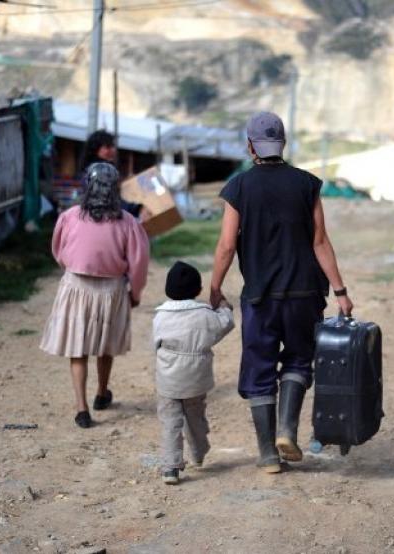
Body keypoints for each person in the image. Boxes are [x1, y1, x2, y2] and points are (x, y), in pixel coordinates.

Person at [211, 111, 353, 474]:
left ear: (250, 146)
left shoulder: (239, 187)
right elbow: (320, 241)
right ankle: (287, 430)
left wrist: (214, 288)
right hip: (305, 293)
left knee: (259, 368)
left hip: (260, 297)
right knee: (298, 360)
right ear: (283, 144)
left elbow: (227, 246)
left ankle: (268, 455)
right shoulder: (307, 184)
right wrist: (340, 291)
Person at [40, 163, 150, 429]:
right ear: (115, 189)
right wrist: (134, 293)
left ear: (86, 186)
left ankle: (82, 408)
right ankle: (102, 393)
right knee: (106, 344)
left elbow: (58, 251)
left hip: (76, 286)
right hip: (111, 290)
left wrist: (73, 269)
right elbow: (139, 263)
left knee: (77, 349)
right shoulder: (128, 223)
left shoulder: (69, 217)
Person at [153, 261, 235, 485]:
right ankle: (199, 451)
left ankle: (170, 467)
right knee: (195, 415)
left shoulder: (160, 315)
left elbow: (155, 344)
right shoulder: (205, 314)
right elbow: (225, 324)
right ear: (198, 290)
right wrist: (225, 306)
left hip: (168, 378)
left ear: (168, 290)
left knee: (170, 421)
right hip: (196, 378)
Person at [79, 130, 144, 218]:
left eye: (113, 146)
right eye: (108, 147)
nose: (113, 150)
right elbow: (107, 201)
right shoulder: (97, 173)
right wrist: (137, 208)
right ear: (95, 149)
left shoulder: (101, 170)